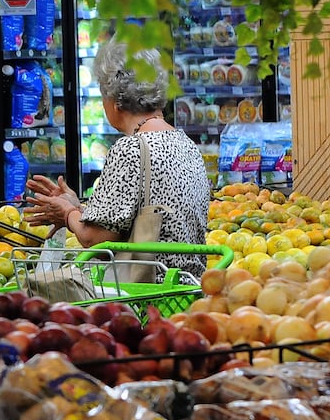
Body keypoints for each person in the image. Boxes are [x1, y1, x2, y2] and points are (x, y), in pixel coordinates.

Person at [25, 40, 210, 278]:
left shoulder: (131, 149)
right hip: (188, 288)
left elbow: (96, 241)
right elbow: (133, 218)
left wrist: (67, 214)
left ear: (116, 100)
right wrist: (77, 206)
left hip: (146, 292)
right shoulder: (186, 144)